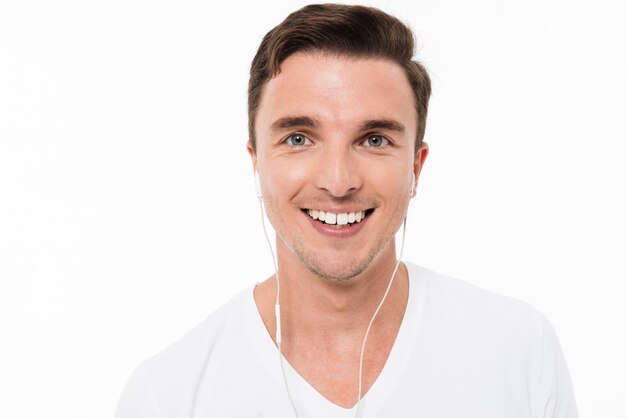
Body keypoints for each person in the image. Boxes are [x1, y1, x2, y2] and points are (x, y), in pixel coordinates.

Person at [115, 4, 578, 417]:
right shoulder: (168, 395)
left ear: (416, 166)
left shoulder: (519, 352)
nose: (338, 182)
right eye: (298, 138)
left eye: (374, 140)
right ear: (256, 161)